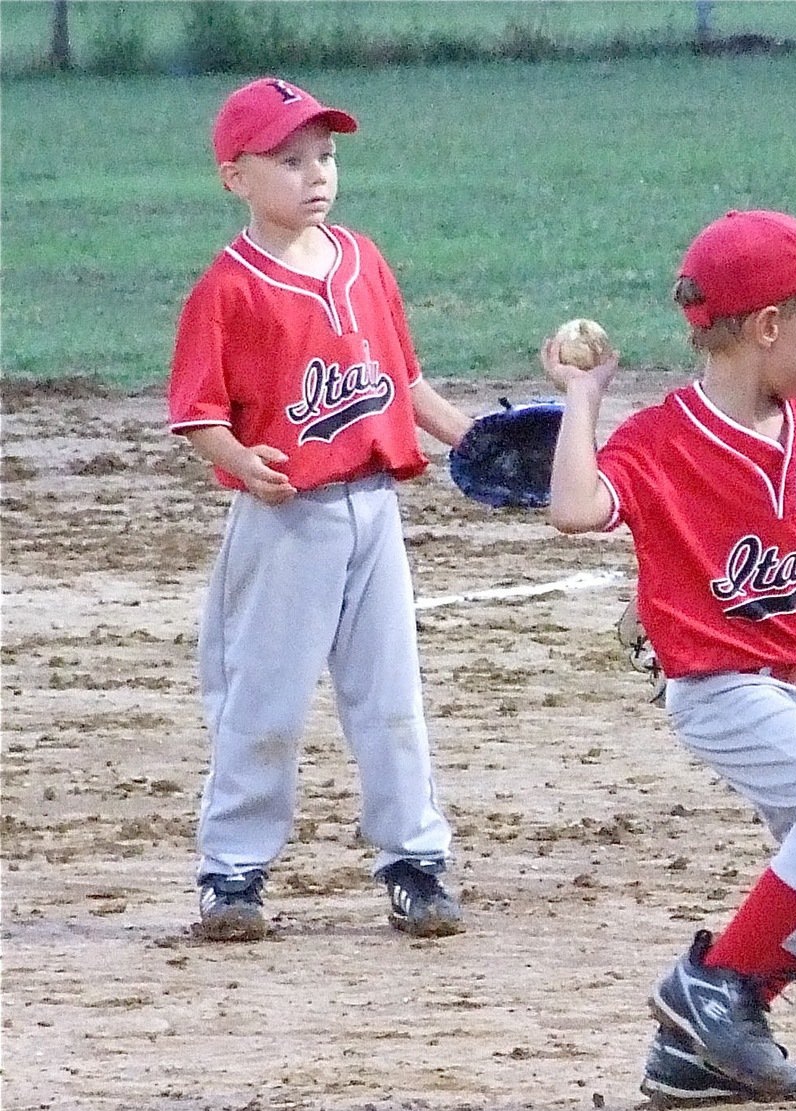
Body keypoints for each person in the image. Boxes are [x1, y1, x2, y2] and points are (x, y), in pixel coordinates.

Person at [541, 210, 796, 1105]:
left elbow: (744, 537)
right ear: (768, 326)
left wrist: (659, 589)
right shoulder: (662, 442)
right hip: (719, 691)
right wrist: (582, 402)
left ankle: (701, 1051)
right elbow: (577, 510)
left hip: (789, 688)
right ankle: (709, 987)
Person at [168, 77, 473, 942]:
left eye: (326, 156)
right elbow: (198, 411)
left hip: (375, 510)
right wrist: (236, 459)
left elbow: (404, 382)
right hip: (285, 518)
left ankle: (413, 861)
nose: (316, 174)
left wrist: (473, 438)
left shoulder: (363, 260)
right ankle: (233, 871)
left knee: (390, 696)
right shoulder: (229, 287)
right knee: (262, 696)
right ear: (236, 177)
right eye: (289, 159)